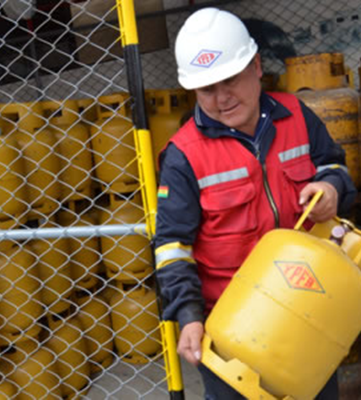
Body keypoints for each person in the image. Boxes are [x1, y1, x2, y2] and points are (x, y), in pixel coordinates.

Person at [154, 7, 357, 400]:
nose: (221, 98)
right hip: (234, 327)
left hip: (309, 312)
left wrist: (332, 187)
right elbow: (172, 246)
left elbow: (334, 166)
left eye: (230, 79)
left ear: (256, 66)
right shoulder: (183, 156)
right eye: (207, 89)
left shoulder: (298, 116)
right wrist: (189, 316)